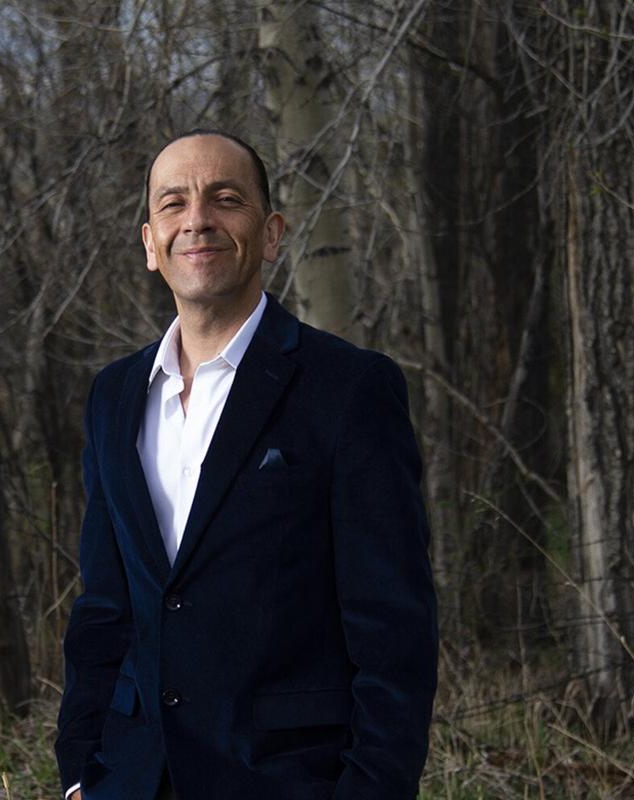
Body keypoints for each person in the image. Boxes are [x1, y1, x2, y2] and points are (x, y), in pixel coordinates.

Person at [53, 129, 437, 799]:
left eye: (225, 198)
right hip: (132, 780)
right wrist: (82, 769)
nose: (196, 219)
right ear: (150, 242)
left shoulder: (348, 388)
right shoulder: (114, 396)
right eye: (173, 203)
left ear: (273, 233)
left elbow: (394, 632)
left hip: (287, 779)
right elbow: (105, 609)